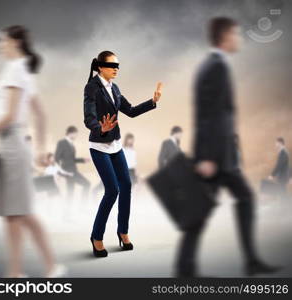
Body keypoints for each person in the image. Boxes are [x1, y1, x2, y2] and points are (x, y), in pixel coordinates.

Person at [176, 17, 280, 277]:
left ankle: (248, 261)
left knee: (236, 200)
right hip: (215, 158)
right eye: (237, 34)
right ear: (224, 36)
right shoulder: (215, 67)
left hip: (221, 156)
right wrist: (206, 157)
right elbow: (207, 115)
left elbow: (215, 115)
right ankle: (185, 270)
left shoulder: (213, 66)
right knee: (204, 212)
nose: (240, 39)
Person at [0, 25, 66, 278]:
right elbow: (40, 114)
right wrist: (41, 148)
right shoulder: (23, 71)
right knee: (20, 212)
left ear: (15, 41)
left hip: (11, 145)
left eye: (2, 40)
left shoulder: (15, 69)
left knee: (14, 213)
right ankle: (47, 268)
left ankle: (17, 274)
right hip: (14, 145)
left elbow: (9, 115)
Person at [84, 50, 162, 257]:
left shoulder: (115, 88)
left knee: (126, 185)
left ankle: (122, 232)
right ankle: (96, 236)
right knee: (112, 191)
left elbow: (132, 111)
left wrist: (152, 102)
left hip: (116, 146)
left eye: (118, 65)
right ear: (100, 67)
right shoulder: (92, 87)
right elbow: (88, 118)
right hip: (99, 146)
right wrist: (101, 127)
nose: (116, 69)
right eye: (112, 65)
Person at [55, 126, 91, 199]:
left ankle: (68, 208)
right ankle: (83, 204)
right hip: (68, 171)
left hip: (73, 170)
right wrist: (59, 172)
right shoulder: (62, 143)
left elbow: (71, 159)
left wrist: (82, 160)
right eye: (75, 134)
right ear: (70, 133)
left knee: (70, 191)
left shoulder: (71, 144)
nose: (76, 136)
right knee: (87, 184)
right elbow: (56, 158)